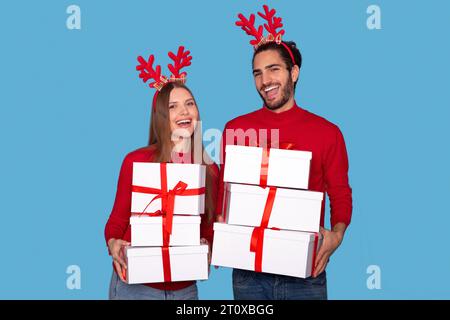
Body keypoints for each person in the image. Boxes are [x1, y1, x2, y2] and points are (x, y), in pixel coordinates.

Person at [217, 5, 353, 300]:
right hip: (248, 272)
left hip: (305, 273)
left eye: (274, 69)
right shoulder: (235, 129)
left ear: (294, 72)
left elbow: (340, 192)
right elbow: (223, 193)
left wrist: (337, 235)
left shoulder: (327, 132)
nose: (265, 81)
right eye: (258, 73)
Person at [105, 47, 219, 300]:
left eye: (190, 104)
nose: (185, 112)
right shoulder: (136, 161)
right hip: (135, 286)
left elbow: (209, 227)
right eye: (174, 106)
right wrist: (113, 243)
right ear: (161, 117)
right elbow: (117, 221)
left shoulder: (209, 169)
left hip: (185, 289)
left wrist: (210, 248)